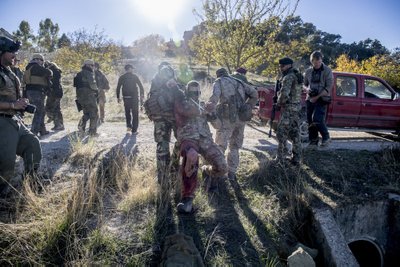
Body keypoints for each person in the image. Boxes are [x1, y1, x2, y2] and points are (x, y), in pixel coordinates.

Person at [174, 81, 227, 213]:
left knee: (222, 167)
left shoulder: (203, 105)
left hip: (205, 140)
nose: (195, 95)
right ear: (187, 91)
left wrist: (213, 114)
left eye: (197, 92)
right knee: (191, 156)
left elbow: (218, 126)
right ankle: (187, 198)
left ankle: (205, 171)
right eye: (192, 92)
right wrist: (201, 110)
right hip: (188, 138)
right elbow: (186, 112)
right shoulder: (182, 103)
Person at [0, 36, 42, 197]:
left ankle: (30, 188)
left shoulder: (9, 71)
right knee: (6, 165)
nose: (15, 56)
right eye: (11, 52)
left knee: (32, 144)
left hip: (15, 120)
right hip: (2, 121)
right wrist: (12, 105)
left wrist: (21, 103)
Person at [205, 68, 258, 180]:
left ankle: (218, 173)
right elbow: (254, 94)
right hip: (241, 119)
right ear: (227, 74)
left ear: (218, 75)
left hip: (227, 119)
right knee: (234, 147)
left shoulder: (219, 82)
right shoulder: (239, 81)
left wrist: (209, 108)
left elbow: (214, 98)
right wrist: (248, 106)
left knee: (221, 146)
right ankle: (232, 173)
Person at [145, 62, 183, 185]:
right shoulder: (169, 75)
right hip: (172, 116)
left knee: (162, 145)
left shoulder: (155, 80)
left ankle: (162, 175)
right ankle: (173, 166)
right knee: (180, 140)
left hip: (159, 118)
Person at [275, 57, 303, 165]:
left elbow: (284, 95)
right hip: (296, 109)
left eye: (282, 66)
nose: (281, 68)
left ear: (288, 65)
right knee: (295, 134)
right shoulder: (298, 75)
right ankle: (296, 159)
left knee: (281, 133)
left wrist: (278, 103)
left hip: (288, 110)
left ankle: (280, 158)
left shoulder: (288, 77)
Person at [304, 51, 334, 147]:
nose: (317, 64)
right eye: (315, 62)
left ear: (321, 60)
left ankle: (326, 137)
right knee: (310, 120)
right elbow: (303, 84)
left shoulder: (327, 71)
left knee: (317, 118)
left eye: (319, 61)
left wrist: (316, 97)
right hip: (310, 98)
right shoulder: (308, 71)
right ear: (311, 61)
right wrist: (307, 89)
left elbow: (328, 87)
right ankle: (313, 141)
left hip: (322, 98)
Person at [24, 53, 53, 137]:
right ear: (37, 60)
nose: (42, 62)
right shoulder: (35, 67)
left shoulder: (28, 67)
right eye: (42, 60)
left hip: (31, 92)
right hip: (36, 92)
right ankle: (34, 132)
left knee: (41, 111)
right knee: (39, 112)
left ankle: (42, 130)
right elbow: (48, 72)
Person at [116, 64, 144, 134]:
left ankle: (129, 126)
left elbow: (118, 87)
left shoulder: (122, 77)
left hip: (126, 98)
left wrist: (118, 97)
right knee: (135, 114)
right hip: (134, 98)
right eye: (132, 68)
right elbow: (141, 86)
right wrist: (142, 95)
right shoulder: (134, 76)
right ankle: (134, 130)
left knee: (127, 112)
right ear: (129, 69)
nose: (133, 70)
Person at [73, 59, 99, 136]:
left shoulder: (78, 74)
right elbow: (93, 85)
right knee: (94, 113)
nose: (93, 67)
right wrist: (96, 91)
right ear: (88, 65)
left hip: (80, 96)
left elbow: (76, 86)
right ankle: (92, 132)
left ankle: (81, 127)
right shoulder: (89, 73)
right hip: (89, 96)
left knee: (86, 113)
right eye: (92, 65)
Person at [44, 61, 64, 131]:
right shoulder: (57, 71)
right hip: (58, 92)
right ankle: (60, 124)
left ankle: (58, 124)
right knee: (56, 108)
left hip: (54, 92)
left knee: (50, 108)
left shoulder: (52, 72)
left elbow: (50, 83)